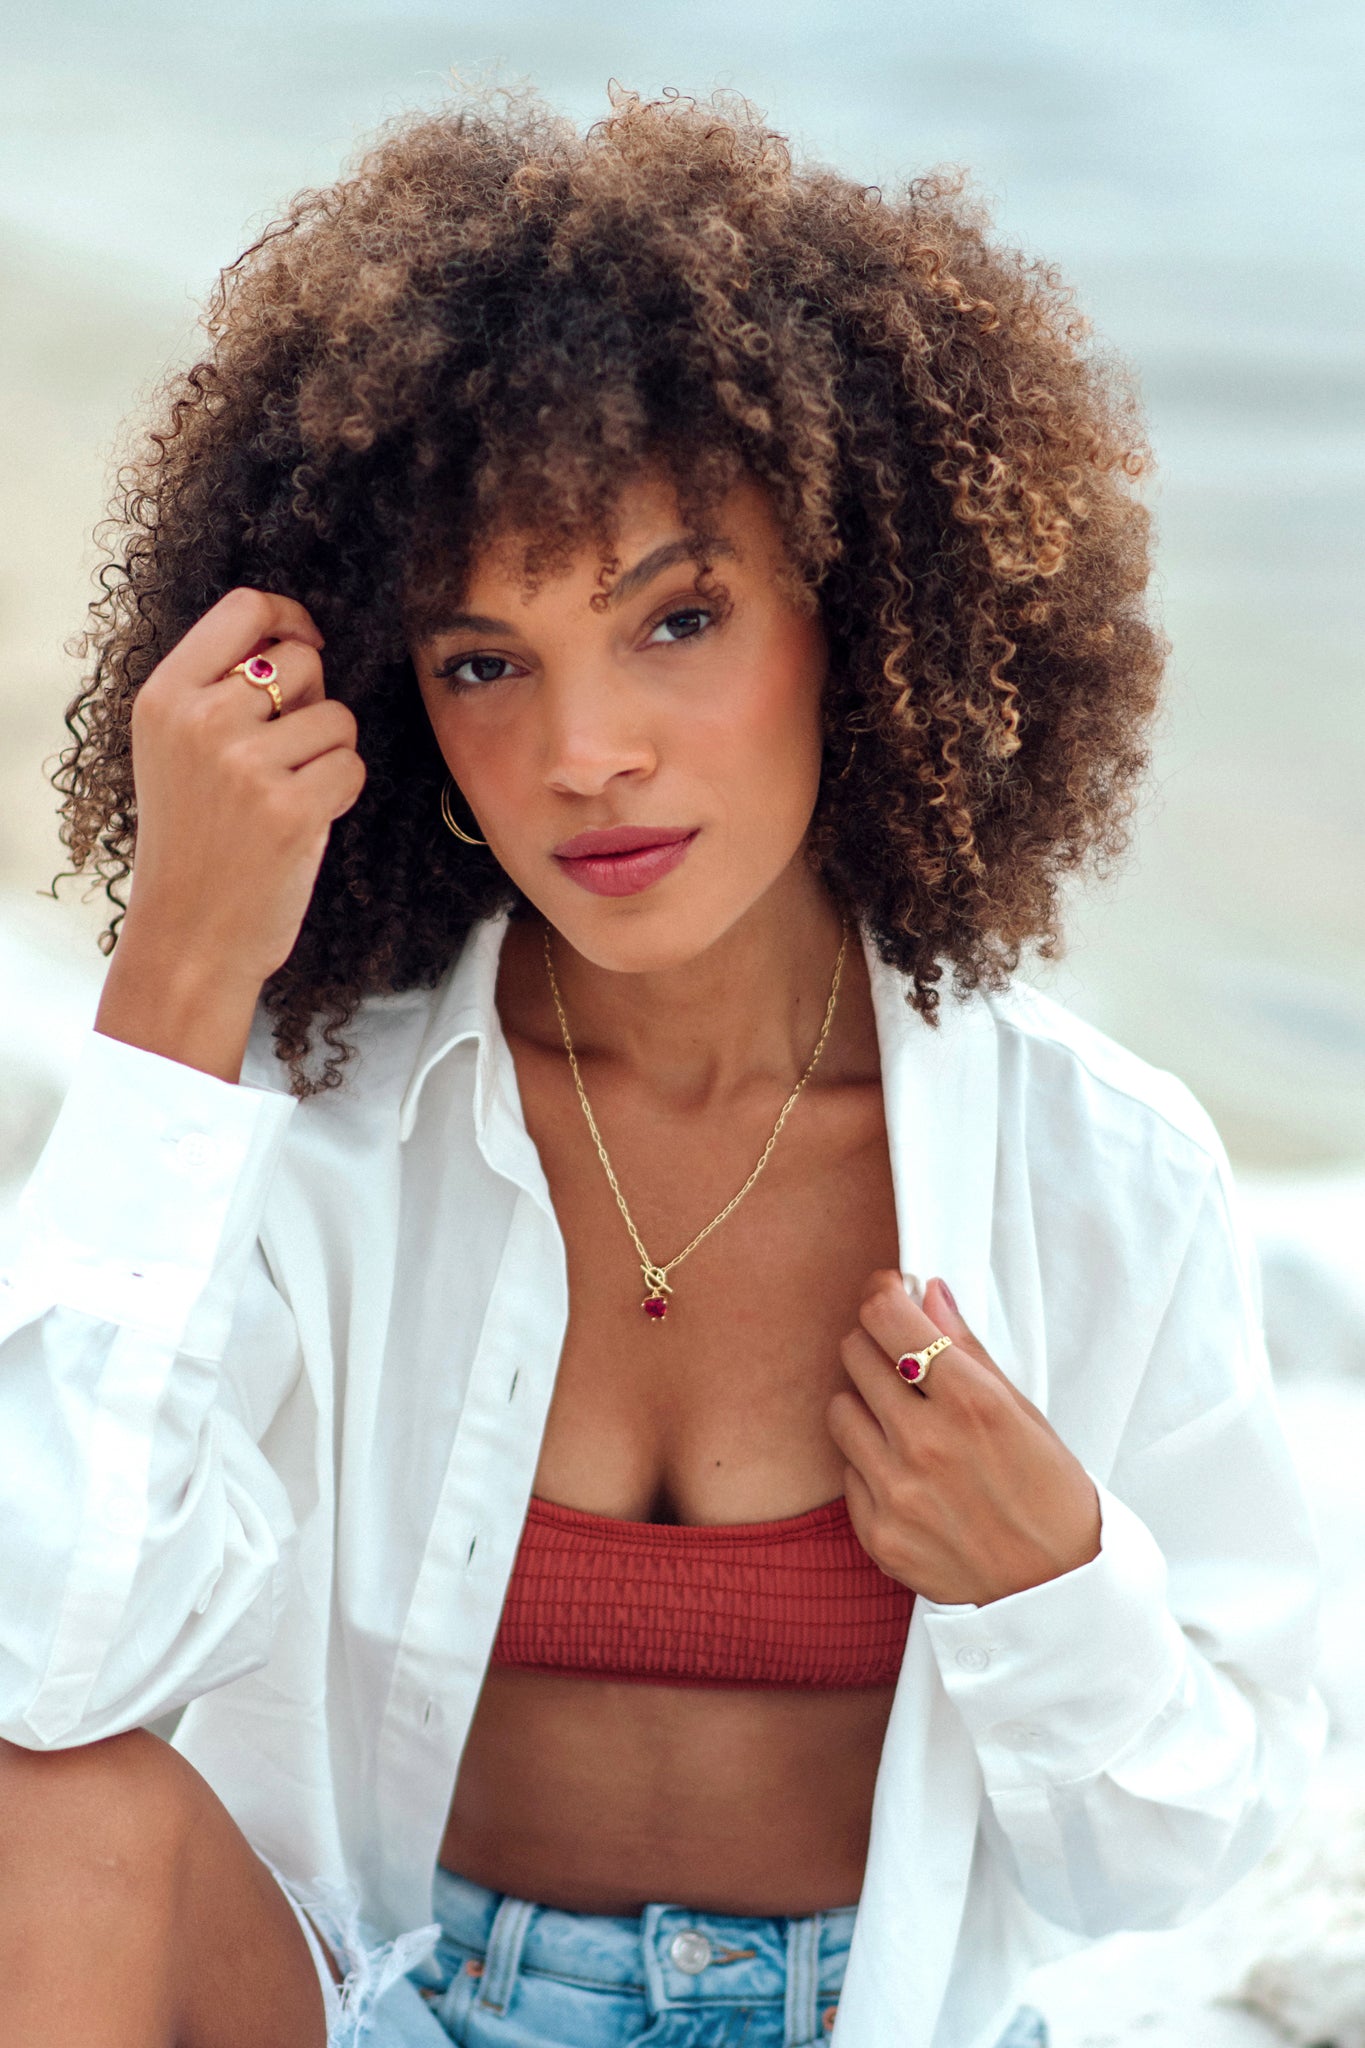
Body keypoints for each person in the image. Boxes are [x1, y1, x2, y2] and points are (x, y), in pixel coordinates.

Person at [0, 88, 1324, 2048]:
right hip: (396, 2004)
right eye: (483, 660)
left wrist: (1043, 1583)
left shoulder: (1084, 1165)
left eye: (673, 619)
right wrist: (182, 975)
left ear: (857, 615)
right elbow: (46, 1658)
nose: (583, 751)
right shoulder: (319, 1126)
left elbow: (1181, 1853)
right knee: (44, 1812)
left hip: (856, 2017)